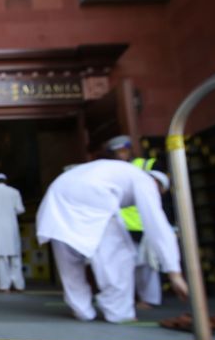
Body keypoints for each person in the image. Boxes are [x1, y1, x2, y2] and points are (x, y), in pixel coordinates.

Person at [35, 160, 188, 323]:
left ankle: (81, 310)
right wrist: (174, 272)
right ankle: (119, 313)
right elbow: (156, 225)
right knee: (119, 258)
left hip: (56, 198)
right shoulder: (145, 181)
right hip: (91, 196)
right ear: (158, 186)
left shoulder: (120, 172)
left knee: (70, 262)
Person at [105, 134, 160, 308]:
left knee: (147, 264)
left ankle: (149, 299)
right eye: (117, 152)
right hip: (120, 223)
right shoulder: (111, 169)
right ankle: (128, 298)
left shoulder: (146, 165)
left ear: (129, 149)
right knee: (123, 263)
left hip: (143, 222)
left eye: (123, 150)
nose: (121, 154)